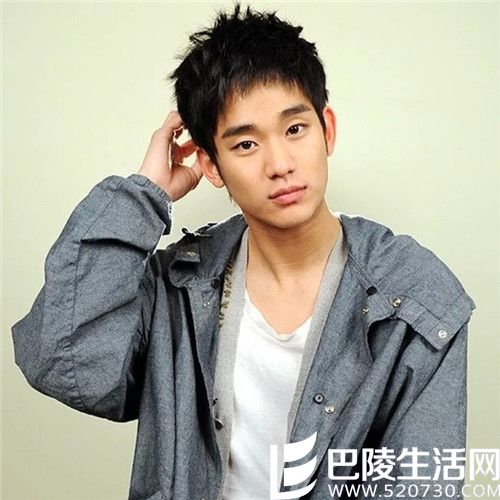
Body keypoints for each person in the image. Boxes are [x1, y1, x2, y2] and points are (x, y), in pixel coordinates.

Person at [11, 4, 476, 500]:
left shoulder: (417, 299)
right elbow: (62, 364)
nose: (280, 164)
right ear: (211, 165)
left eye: (295, 129)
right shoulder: (176, 288)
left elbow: (422, 487)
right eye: (246, 145)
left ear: (327, 130)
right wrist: (145, 195)